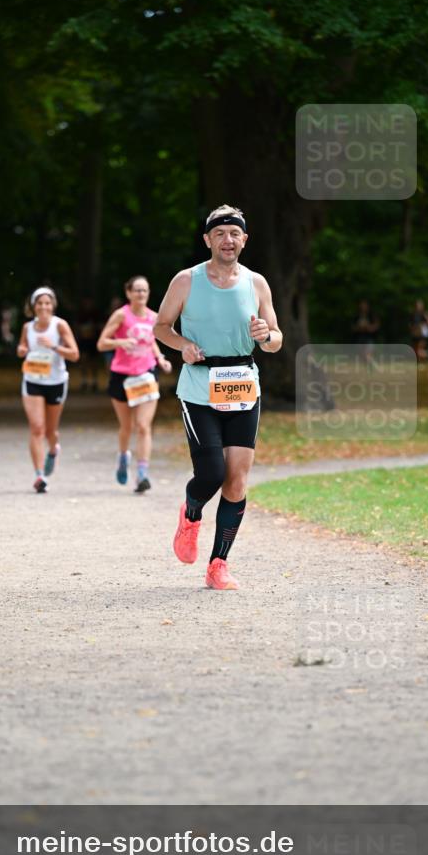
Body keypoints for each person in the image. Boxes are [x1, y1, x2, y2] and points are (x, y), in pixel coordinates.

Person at [154, 205, 282, 590]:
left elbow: (276, 338)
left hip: (244, 384)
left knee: (237, 480)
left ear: (245, 239)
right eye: (220, 233)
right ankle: (191, 514)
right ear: (207, 239)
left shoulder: (257, 283)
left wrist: (266, 336)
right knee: (211, 473)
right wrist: (182, 345)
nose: (228, 240)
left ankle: (218, 565)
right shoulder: (186, 281)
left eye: (235, 233)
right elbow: (161, 326)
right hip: (199, 385)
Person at [97, 275, 172, 493]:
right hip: (122, 376)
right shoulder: (121, 315)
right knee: (127, 427)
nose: (141, 294)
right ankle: (123, 458)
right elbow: (102, 343)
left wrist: (161, 359)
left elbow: (152, 343)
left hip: (146, 375)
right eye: (137, 290)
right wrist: (120, 342)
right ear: (128, 292)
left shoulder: (154, 318)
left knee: (143, 426)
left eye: (144, 291)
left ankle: (142, 474)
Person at [16, 286, 79, 493]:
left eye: (47, 303)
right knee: (37, 428)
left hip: (56, 381)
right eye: (40, 303)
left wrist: (54, 346)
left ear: (53, 306)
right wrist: (22, 349)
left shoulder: (60, 326)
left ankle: (53, 449)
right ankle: (39, 475)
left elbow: (74, 354)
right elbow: (22, 348)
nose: (44, 307)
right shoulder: (28, 327)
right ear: (33, 306)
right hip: (33, 379)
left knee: (50, 431)